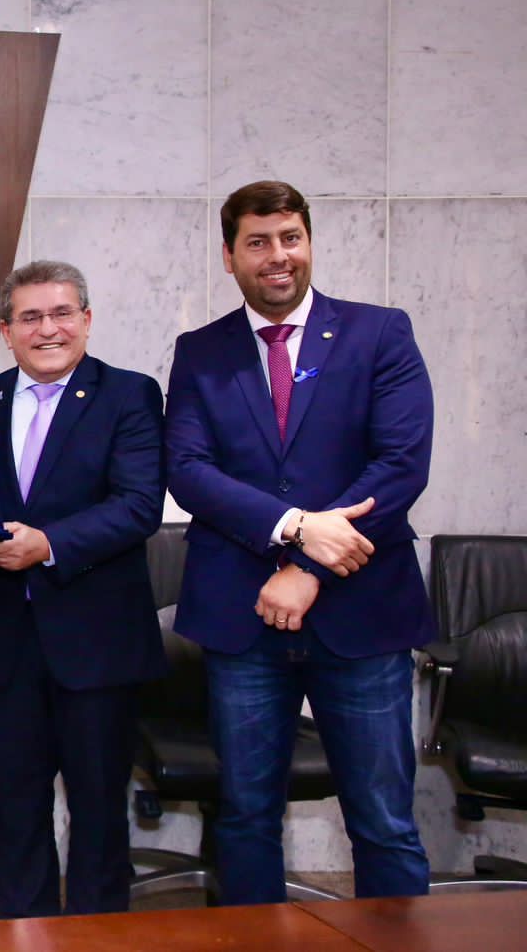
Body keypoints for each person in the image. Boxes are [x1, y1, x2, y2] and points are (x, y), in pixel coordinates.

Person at [165, 179, 435, 903]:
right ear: (230, 257)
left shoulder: (380, 332)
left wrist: (309, 568)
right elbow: (189, 471)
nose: (276, 256)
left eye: (290, 238)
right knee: (247, 818)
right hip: (241, 616)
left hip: (362, 613)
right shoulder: (200, 351)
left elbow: (401, 465)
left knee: (382, 822)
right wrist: (296, 529)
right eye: (257, 242)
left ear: (309, 243)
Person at [0, 260, 165, 917]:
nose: (48, 329)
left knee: (98, 814)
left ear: (87, 322)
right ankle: (24, 933)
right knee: (15, 806)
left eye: (62, 313)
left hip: (98, 644)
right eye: (31, 317)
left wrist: (50, 544)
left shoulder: (129, 395)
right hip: (7, 641)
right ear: (7, 331)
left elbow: (138, 505)